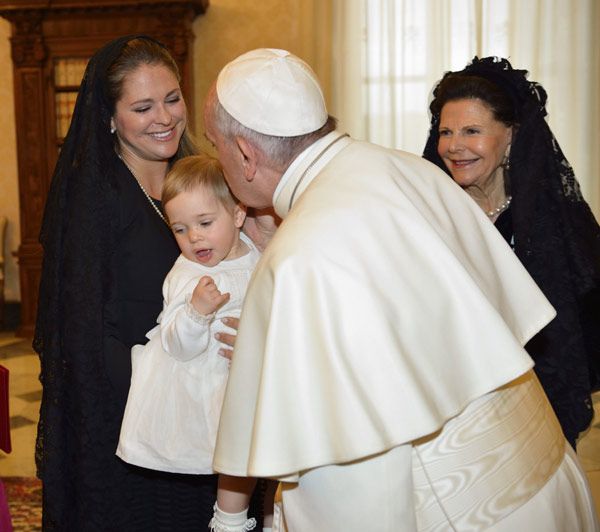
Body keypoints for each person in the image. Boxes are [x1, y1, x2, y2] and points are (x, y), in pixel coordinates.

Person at [203, 48, 599, 531]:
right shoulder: (405, 168)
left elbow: (350, 485)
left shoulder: (301, 257)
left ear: (245, 154)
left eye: (214, 145)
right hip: (546, 479)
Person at [33, 35, 221, 530]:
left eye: (172, 98)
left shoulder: (198, 178)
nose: (164, 117)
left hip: (210, 407)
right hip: (138, 421)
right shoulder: (94, 199)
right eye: (142, 106)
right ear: (110, 117)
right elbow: (86, 333)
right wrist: (164, 395)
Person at [422, 56, 600, 449]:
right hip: (451, 409)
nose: (454, 146)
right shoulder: (430, 215)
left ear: (511, 136)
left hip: (534, 409)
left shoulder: (550, 223)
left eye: (472, 131)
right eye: (446, 131)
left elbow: (573, 327)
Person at [116, 154, 269, 532]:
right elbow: (176, 344)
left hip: (252, 375)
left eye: (204, 223)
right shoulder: (187, 275)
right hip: (205, 384)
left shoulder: (255, 252)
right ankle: (228, 519)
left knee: (264, 450)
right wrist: (196, 313)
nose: (194, 237)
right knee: (234, 451)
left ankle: (273, 516)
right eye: (180, 229)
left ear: (237, 215)